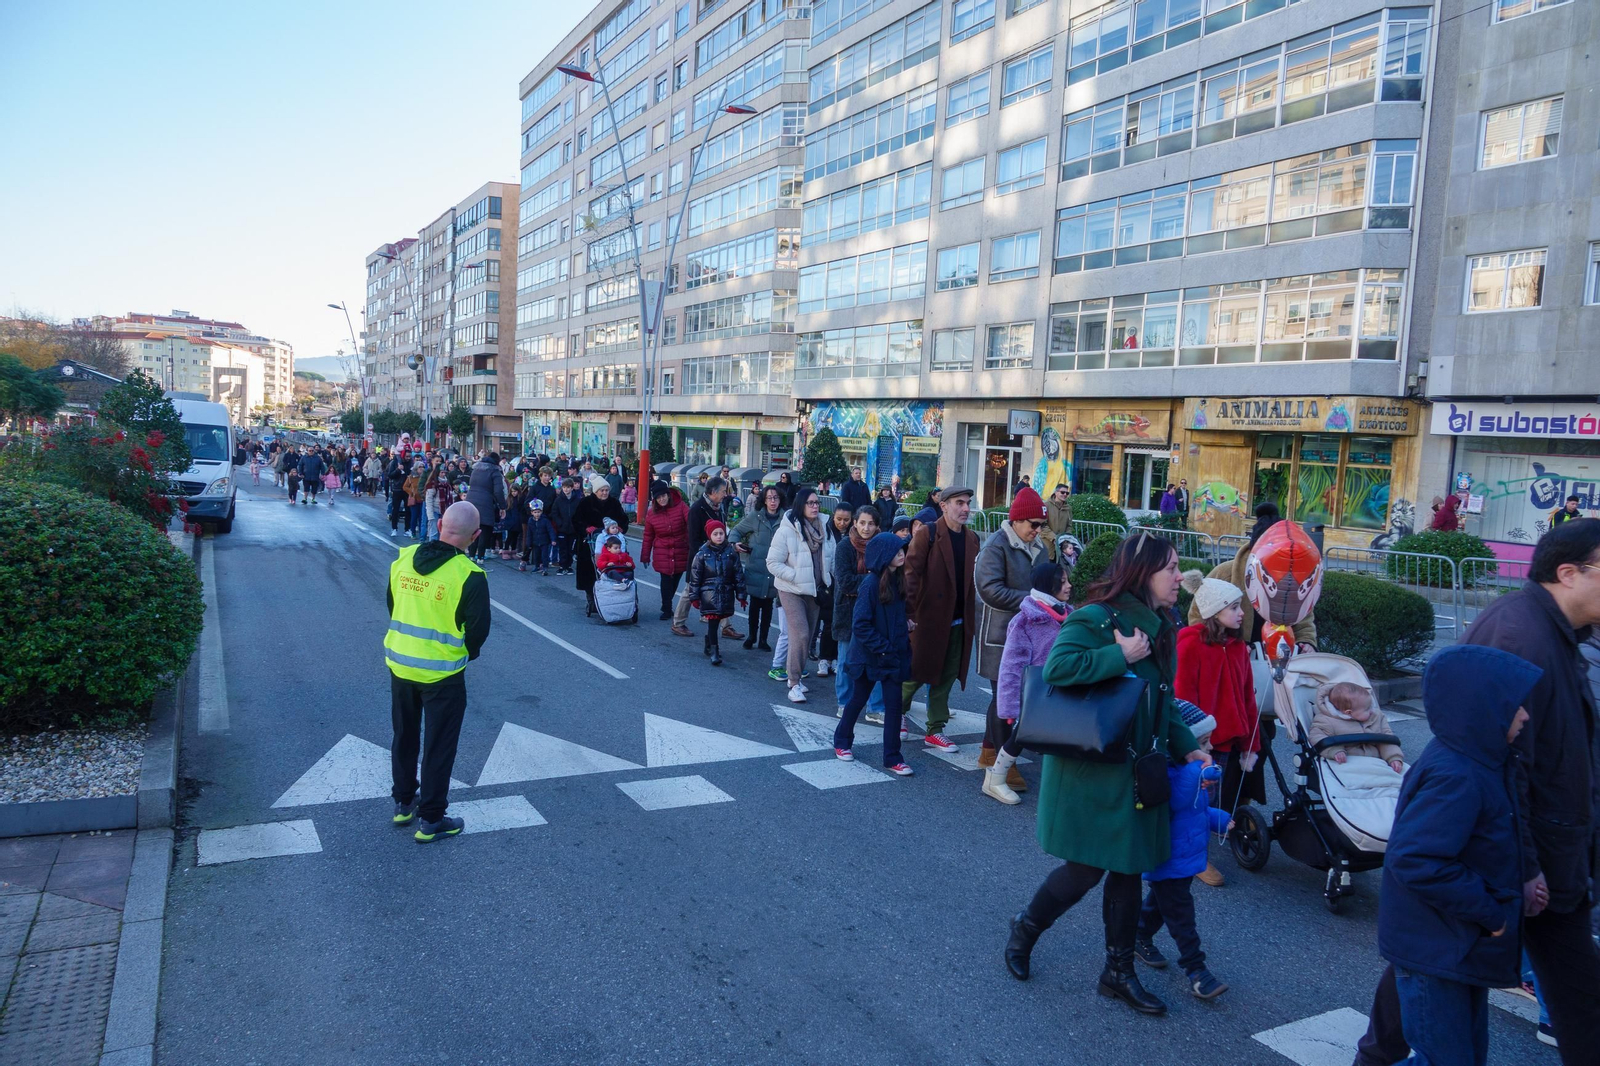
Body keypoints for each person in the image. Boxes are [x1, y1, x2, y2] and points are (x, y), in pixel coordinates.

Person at [1358, 519, 1600, 1066]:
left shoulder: (1557, 633)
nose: (1520, 712)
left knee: (1428, 962)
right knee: (1440, 969)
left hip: (1527, 858)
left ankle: (1374, 1057)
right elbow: (1498, 771)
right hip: (1522, 858)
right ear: (1570, 573)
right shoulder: (1517, 634)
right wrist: (1526, 869)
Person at [1002, 533, 1206, 1017]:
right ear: (1142, 573)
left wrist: (1188, 746)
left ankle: (1117, 972)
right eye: (1171, 568)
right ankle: (1025, 929)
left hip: (1141, 770)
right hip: (1095, 773)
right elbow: (1057, 668)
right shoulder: (1096, 618)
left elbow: (1160, 699)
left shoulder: (1161, 624)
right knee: (1085, 871)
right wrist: (1120, 656)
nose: (1180, 577)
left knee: (1129, 868)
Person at [1378, 645, 1540, 1066]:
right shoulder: (1458, 774)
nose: (1524, 715)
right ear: (1483, 707)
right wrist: (1490, 912)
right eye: (1514, 705)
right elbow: (1416, 860)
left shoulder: (1484, 760)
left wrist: (1525, 876)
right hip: (1439, 946)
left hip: (1453, 942)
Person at [385, 501, 491, 843]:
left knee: (404, 735)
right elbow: (478, 630)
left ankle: (403, 802)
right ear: (474, 537)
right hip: (443, 674)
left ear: (441, 522)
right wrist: (465, 653)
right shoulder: (469, 575)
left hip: (400, 663)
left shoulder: (404, 558)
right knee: (439, 745)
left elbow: (392, 603)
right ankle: (431, 818)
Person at [1133, 712, 1233, 1000]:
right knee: (1181, 915)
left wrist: (1219, 818)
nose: (1208, 750)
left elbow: (1195, 811)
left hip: (1185, 856)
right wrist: (1196, 772)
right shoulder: (1169, 773)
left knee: (1161, 903)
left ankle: (1139, 934)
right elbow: (1177, 801)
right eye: (1201, 742)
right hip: (1169, 857)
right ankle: (1196, 970)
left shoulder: (1192, 775)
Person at [1173, 570, 1259, 887]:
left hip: (1231, 737)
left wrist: (1253, 742)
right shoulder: (1190, 647)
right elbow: (1183, 699)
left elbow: (1248, 697)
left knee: (1217, 797)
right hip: (1204, 740)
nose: (1241, 613)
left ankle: (1209, 840)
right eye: (1234, 607)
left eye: (1240, 606)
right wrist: (1191, 742)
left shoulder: (1237, 648)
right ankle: (1195, 858)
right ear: (1213, 612)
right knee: (1195, 800)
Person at [983, 560, 1072, 806]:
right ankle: (996, 778)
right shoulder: (1025, 621)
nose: (1069, 586)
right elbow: (1010, 668)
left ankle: (1061, 785)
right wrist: (1010, 707)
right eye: (1062, 582)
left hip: (1062, 692)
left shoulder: (1069, 614)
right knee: (1022, 737)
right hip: (1036, 694)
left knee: (1061, 737)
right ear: (1048, 585)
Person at [975, 486, 1047, 790]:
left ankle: (989, 752)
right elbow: (989, 589)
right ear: (1016, 520)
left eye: (1042, 525)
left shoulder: (1040, 547)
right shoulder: (996, 546)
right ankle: (1005, 764)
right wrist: (1032, 599)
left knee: (1015, 695)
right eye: (1033, 524)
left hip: (1028, 635)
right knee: (1004, 698)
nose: (1038, 530)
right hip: (999, 634)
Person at [902, 486, 979, 752]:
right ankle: (897, 712)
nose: (966, 508)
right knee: (917, 671)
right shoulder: (928, 534)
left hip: (958, 620)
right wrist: (909, 613)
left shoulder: (972, 539)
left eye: (968, 503)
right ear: (943, 505)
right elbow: (910, 574)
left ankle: (935, 729)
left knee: (945, 677)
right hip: (929, 618)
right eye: (959, 503)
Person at [833, 531, 915, 777]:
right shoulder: (869, 584)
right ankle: (842, 740)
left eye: (902, 550)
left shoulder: (898, 580)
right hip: (870, 655)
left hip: (891, 655)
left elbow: (893, 617)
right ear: (883, 556)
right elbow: (861, 625)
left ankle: (892, 757)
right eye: (896, 551)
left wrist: (905, 626)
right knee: (858, 700)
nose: (901, 554)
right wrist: (883, 646)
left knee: (893, 706)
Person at [767, 487, 834, 704]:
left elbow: (829, 557)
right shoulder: (787, 530)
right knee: (801, 634)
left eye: (817, 503)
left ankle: (797, 676)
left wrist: (829, 579)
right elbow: (772, 563)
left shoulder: (825, 527)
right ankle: (793, 682)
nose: (815, 506)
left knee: (809, 635)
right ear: (800, 505)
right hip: (791, 589)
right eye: (810, 503)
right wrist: (794, 576)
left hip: (814, 590)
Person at [833, 507, 887, 724]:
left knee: (877, 660)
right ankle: (844, 703)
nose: (866, 528)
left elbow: (890, 578)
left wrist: (870, 581)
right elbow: (845, 581)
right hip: (848, 610)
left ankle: (875, 707)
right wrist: (873, 580)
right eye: (862, 523)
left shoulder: (882, 545)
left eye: (871, 524)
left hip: (876, 611)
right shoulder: (844, 546)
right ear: (854, 522)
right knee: (847, 660)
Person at [675, 478, 741, 641]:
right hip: (701, 557)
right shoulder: (697, 509)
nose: (725, 495)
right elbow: (693, 540)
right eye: (723, 492)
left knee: (722, 589)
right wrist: (706, 554)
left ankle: (726, 626)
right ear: (712, 492)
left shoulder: (720, 507)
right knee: (690, 590)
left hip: (718, 555)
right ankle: (678, 622)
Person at [1309, 682, 1405, 773]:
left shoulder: (1376, 716)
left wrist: (1394, 757)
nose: (1372, 711)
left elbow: (1387, 739)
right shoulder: (1326, 721)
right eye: (1367, 709)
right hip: (1347, 762)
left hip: (1376, 762)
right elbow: (1317, 736)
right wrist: (1334, 750)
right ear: (1349, 712)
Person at [688, 520, 746, 667]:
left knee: (719, 619)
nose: (719, 536)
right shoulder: (702, 554)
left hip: (726, 592)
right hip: (709, 594)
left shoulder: (731, 552)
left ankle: (709, 642)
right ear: (710, 536)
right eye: (715, 534)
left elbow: (738, 574)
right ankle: (715, 650)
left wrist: (741, 595)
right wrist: (694, 596)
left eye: (721, 533)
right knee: (713, 622)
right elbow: (695, 577)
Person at [734, 486, 785, 650]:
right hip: (756, 566)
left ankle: (763, 639)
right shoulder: (755, 516)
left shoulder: (786, 518)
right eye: (769, 498)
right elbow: (736, 530)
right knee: (755, 605)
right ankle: (751, 636)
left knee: (768, 607)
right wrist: (735, 543)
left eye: (775, 498)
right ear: (763, 500)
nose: (772, 501)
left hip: (775, 570)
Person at [573, 476, 630, 614]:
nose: (604, 493)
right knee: (589, 570)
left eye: (606, 490)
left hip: (612, 543)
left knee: (613, 568)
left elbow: (623, 519)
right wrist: (586, 528)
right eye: (602, 490)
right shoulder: (585, 503)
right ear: (595, 491)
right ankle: (591, 597)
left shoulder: (614, 503)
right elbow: (576, 520)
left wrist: (621, 527)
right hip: (590, 542)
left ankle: (614, 596)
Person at [641, 481, 691, 621]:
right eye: (658, 497)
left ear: (668, 495)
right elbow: (648, 536)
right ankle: (667, 608)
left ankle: (667, 603)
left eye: (664, 496)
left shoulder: (681, 506)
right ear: (655, 499)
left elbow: (691, 522)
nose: (662, 499)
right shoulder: (652, 514)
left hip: (680, 548)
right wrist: (645, 556)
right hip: (662, 550)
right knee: (665, 580)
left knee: (675, 579)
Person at [815, 505, 854, 676]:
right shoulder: (826, 531)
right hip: (829, 582)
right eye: (839, 519)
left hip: (845, 583)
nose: (842, 523)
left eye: (846, 519)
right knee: (829, 622)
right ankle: (824, 659)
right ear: (833, 516)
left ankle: (837, 658)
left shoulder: (854, 533)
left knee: (841, 624)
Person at [466, 451, 508, 561]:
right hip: (486, 503)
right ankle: (480, 558)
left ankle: (471, 556)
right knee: (485, 530)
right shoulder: (495, 471)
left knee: (474, 529)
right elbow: (498, 491)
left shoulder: (475, 470)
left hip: (471, 501)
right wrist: (503, 506)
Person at [550, 477, 582, 574]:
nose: (566, 489)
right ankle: (562, 566)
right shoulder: (558, 500)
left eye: (568, 487)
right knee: (562, 548)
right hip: (562, 528)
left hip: (572, 529)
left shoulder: (577, 500)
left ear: (572, 488)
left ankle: (568, 566)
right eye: (564, 487)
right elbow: (554, 513)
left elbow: (580, 513)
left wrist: (576, 524)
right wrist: (560, 523)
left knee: (570, 549)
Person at [1039, 483, 1074, 562]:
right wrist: (1055, 538)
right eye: (1062, 492)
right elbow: (1042, 525)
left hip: (1061, 548)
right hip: (1047, 547)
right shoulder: (1046, 505)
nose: (1065, 494)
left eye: (1067, 493)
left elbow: (1069, 526)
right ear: (1056, 492)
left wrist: (1066, 539)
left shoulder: (1068, 508)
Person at [524, 498, 556, 574]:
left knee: (544, 555)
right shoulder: (530, 521)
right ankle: (537, 566)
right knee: (536, 555)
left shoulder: (545, 520)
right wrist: (528, 542)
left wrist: (553, 539)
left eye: (538, 512)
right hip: (535, 541)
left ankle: (545, 567)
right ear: (532, 512)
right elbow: (529, 532)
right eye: (535, 512)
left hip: (544, 541)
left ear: (541, 512)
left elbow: (550, 530)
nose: (537, 514)